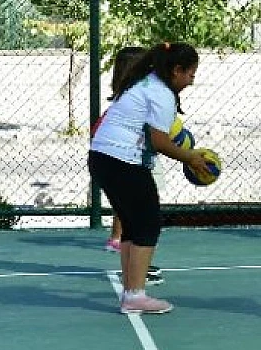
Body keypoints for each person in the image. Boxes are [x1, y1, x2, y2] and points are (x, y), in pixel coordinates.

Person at [89, 42, 211, 314]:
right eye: (191, 74)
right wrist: (190, 157)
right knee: (148, 224)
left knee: (133, 226)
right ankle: (135, 295)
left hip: (102, 157)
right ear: (176, 70)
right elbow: (159, 142)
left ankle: (132, 291)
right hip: (121, 160)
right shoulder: (161, 94)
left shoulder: (144, 82)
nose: (192, 80)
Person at [97, 46, 165, 286]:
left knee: (134, 218)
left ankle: (135, 271)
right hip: (134, 162)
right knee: (146, 222)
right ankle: (138, 275)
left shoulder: (127, 95)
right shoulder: (141, 95)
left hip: (128, 162)